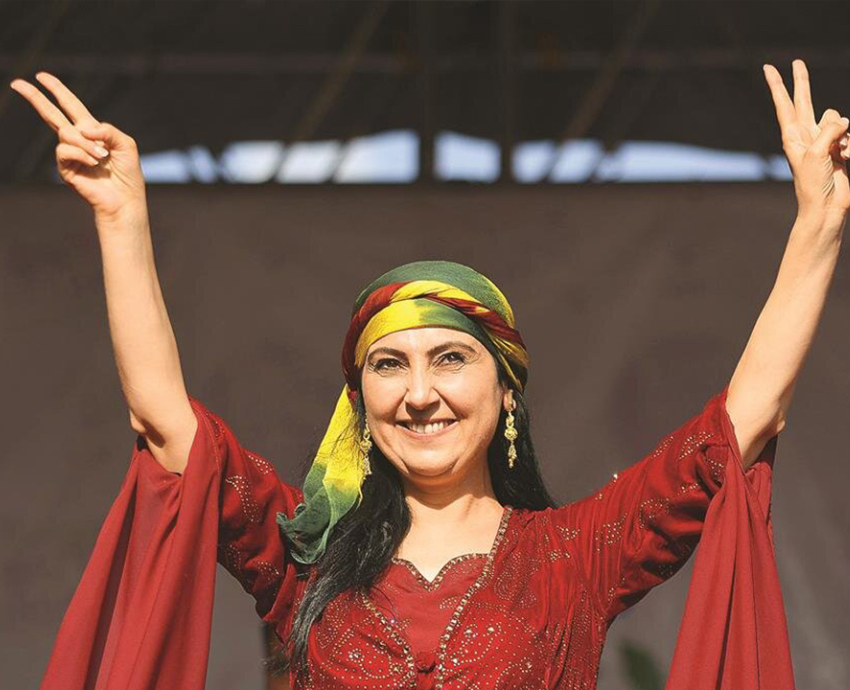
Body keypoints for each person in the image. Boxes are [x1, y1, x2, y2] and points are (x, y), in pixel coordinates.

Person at [11, 58, 846, 690]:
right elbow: (166, 428)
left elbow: (743, 423)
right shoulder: (304, 555)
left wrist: (817, 224)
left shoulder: (577, 557)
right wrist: (122, 219)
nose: (419, 393)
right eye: (388, 365)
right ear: (360, 401)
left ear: (505, 391)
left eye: (451, 358)